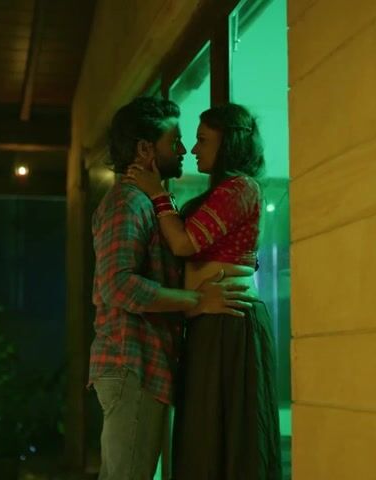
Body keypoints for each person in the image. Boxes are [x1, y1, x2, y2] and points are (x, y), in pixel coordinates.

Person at [89, 97, 256, 480]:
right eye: (175, 140)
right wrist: (197, 300)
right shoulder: (128, 203)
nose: (183, 149)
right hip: (131, 362)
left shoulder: (146, 201)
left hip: (142, 364)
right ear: (145, 149)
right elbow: (118, 285)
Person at [125, 102, 282, 480]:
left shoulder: (241, 187)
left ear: (228, 143)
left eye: (202, 140)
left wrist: (156, 193)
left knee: (227, 436)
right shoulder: (225, 191)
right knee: (205, 434)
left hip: (229, 321)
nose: (194, 149)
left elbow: (184, 244)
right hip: (211, 318)